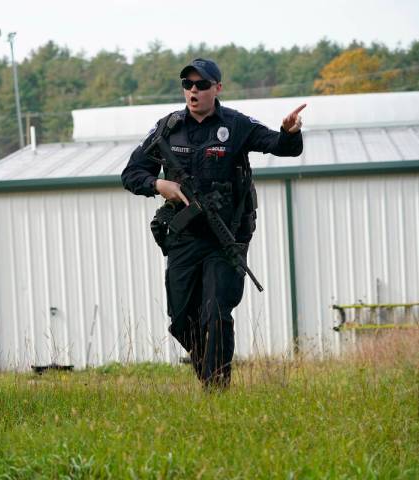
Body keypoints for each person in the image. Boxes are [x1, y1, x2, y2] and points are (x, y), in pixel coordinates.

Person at [121, 58, 305, 388]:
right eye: (188, 84)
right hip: (184, 238)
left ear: (217, 88)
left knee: (215, 313)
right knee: (180, 321)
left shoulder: (235, 125)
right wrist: (159, 185)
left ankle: (216, 390)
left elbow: (279, 146)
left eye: (202, 85)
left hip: (226, 238)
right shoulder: (167, 128)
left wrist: (290, 132)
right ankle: (209, 373)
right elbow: (131, 173)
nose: (193, 90)